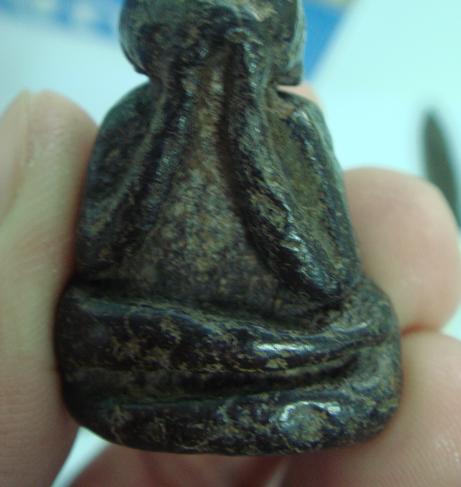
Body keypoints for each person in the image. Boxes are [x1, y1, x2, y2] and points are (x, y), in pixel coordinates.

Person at [0, 85, 460, 487]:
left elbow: (326, 277)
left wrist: (249, 140)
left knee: (368, 325)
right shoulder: (134, 118)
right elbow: (102, 254)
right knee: (83, 322)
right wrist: (171, 124)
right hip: (126, 343)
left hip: (292, 342)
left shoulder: (293, 122)